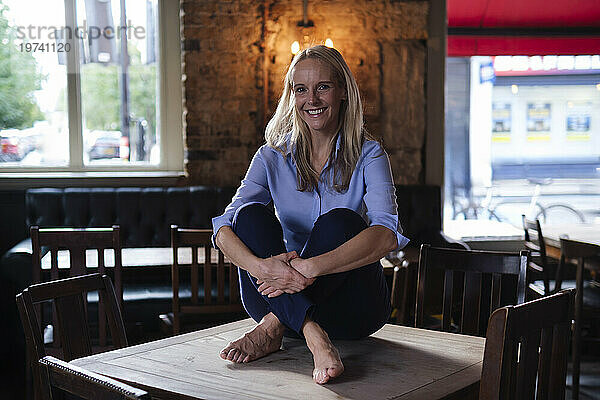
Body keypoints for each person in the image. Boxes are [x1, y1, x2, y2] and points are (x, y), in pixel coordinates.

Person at [212, 45, 409, 384]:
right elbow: (222, 230)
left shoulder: (370, 154)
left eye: (323, 87)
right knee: (249, 215)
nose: (312, 99)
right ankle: (313, 334)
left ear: (343, 90)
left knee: (342, 222)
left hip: (351, 308)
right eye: (301, 89)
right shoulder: (272, 155)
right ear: (292, 96)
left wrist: (307, 268)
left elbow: (387, 233)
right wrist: (263, 268)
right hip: (272, 292)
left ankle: (273, 327)